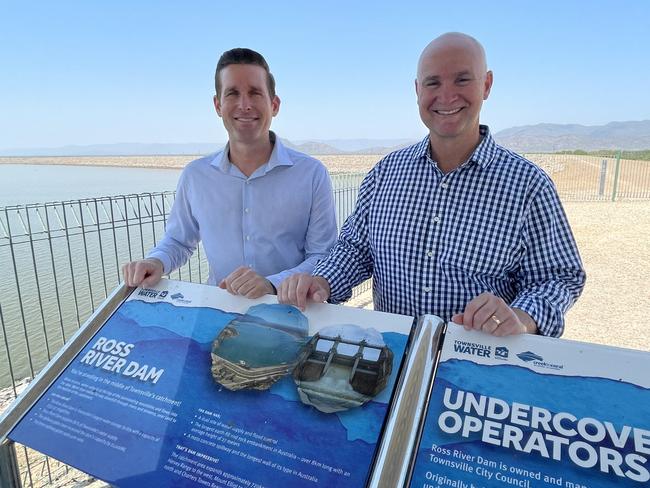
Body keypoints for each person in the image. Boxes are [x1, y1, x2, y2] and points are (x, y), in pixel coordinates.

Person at [278, 33, 585, 337]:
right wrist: (322, 282)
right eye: (433, 83)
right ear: (417, 90)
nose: (447, 96)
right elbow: (356, 250)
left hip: (478, 367)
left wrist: (521, 317)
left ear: (487, 85)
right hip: (391, 361)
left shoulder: (528, 185)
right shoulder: (386, 173)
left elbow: (558, 278)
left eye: (462, 80)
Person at [122, 48, 337, 298]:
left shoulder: (311, 174)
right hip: (219, 312)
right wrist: (156, 262)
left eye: (255, 93)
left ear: (274, 104)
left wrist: (272, 284)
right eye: (233, 93)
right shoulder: (196, 176)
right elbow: (179, 241)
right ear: (218, 105)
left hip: (290, 310)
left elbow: (323, 256)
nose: (244, 105)